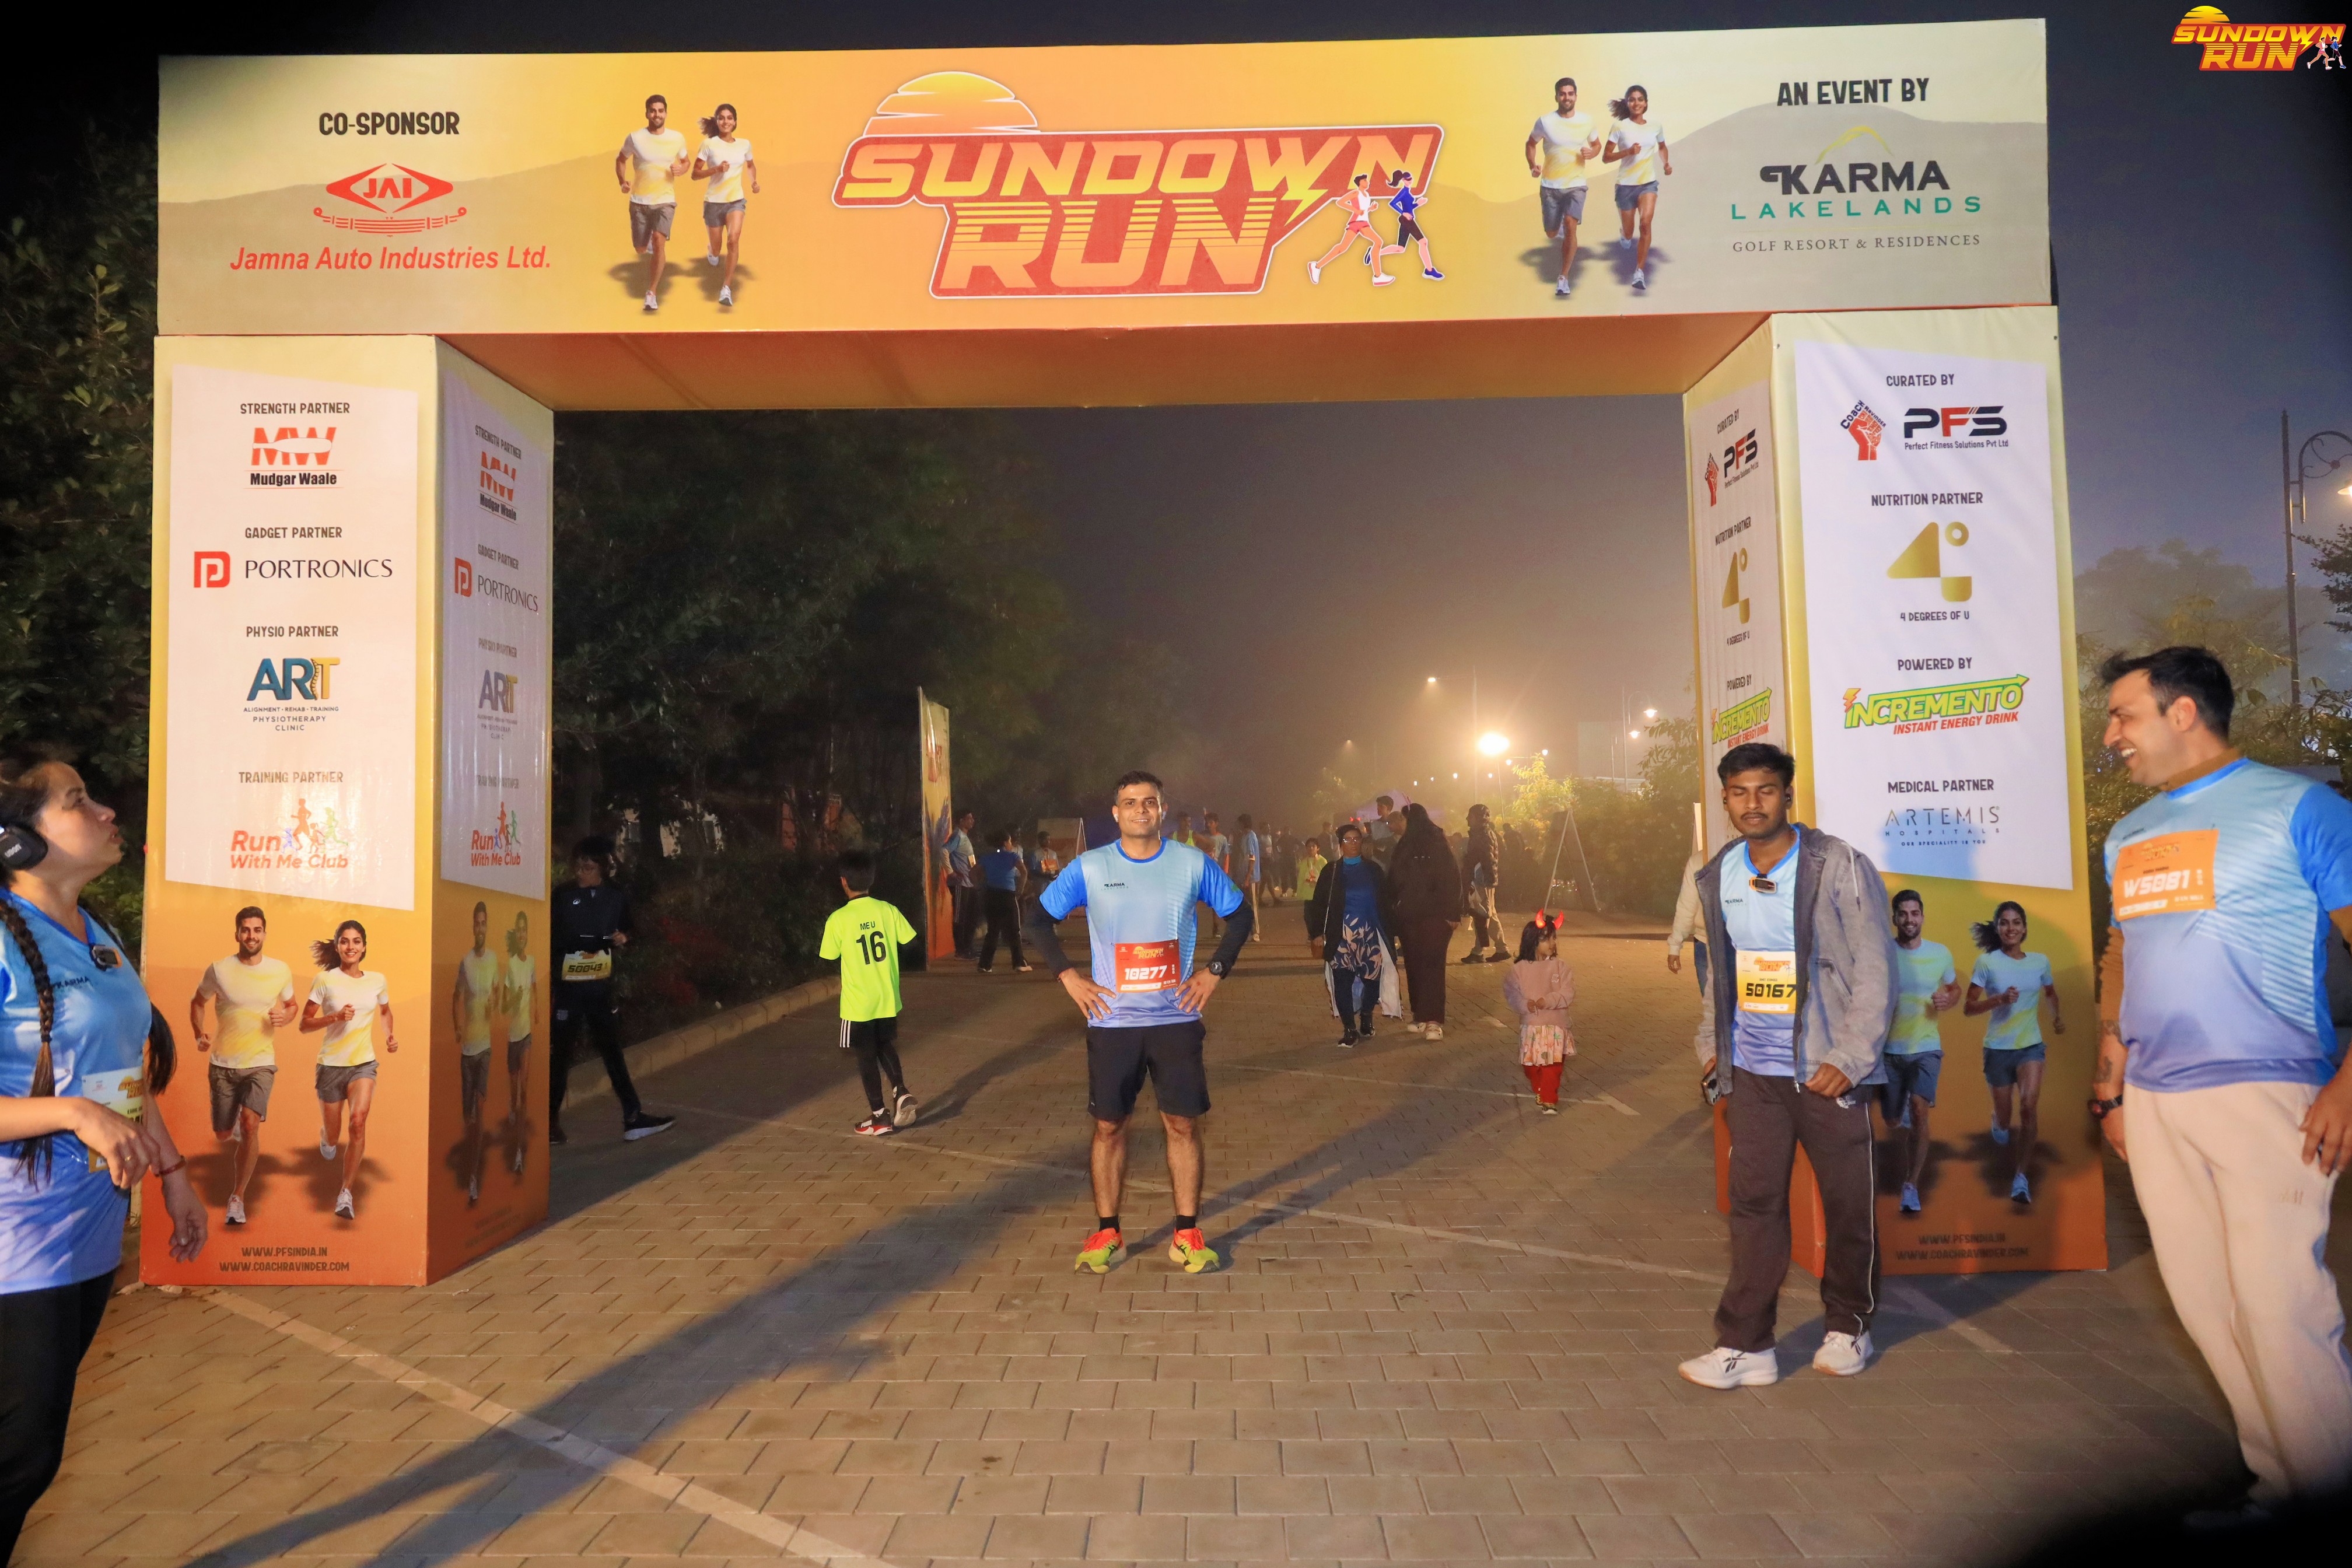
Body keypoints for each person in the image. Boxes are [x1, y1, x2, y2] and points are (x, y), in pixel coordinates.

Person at [2091, 647, 2352, 1513]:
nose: (2111, 736)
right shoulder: (2128, 835)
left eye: (2124, 715)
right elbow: (2124, 955)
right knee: (2209, 1307)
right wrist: (2112, 1088)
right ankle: (2279, 1485)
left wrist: (2348, 1086)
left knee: (2282, 1309)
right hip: (2157, 1100)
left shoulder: (2299, 808)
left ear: (2183, 712)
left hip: (2270, 1091)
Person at [0, 760, 202, 1559]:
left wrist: (173, 1173)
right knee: (22, 1452)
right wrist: (73, 1113)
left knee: (27, 1453)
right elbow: (82, 1100)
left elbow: (125, 1071)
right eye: (77, 801)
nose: (106, 811)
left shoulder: (96, 933)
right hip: (17, 1242)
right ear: (17, 842)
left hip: (89, 1231)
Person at [1680, 741, 1896, 1390]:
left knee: (1847, 1205)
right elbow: (1723, 970)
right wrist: (1711, 1045)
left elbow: (1876, 967)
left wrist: (1850, 1058)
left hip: (1826, 1071)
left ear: (1788, 796)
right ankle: (1747, 1346)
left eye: (1766, 790)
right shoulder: (1721, 872)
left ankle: (1849, 1326)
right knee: (1753, 1206)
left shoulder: (1836, 864)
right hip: (1753, 1071)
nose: (1753, 803)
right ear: (1725, 800)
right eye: (1740, 792)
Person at [1025, 771, 1250, 1276]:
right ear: (1116, 813)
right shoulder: (1091, 867)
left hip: (1176, 1019)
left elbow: (1241, 916)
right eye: (1130, 803)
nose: (1140, 810)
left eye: (1149, 802)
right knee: (1109, 1127)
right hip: (1112, 1023)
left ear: (1162, 810)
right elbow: (1036, 921)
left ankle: (1186, 1234)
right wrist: (1069, 978)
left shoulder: (1191, 862)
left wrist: (1214, 971)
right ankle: (1108, 1232)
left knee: (1182, 1124)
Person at [549, 836, 674, 1147]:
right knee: (560, 1055)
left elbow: (630, 928)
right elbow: (552, 936)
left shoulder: (615, 896)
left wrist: (622, 938)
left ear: (603, 869)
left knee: (612, 1052)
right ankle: (549, 1124)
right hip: (569, 989)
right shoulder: (562, 895)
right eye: (578, 866)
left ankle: (633, 1117)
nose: (581, 873)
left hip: (599, 988)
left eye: (589, 868)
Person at [190, 905, 295, 1227]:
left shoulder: (280, 970)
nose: (252, 936)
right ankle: (231, 1125)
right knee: (223, 1134)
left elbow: (292, 1006)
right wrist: (199, 1032)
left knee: (251, 1125)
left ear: (265, 934)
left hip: (261, 1062)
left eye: (257, 930)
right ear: (237, 934)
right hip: (223, 1063)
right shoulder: (219, 970)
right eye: (246, 930)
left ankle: (237, 1197)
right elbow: (198, 1002)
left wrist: (285, 1016)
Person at [1965, 900, 2063, 1204]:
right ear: (1998, 929)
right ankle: (1999, 1121)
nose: (2011, 928)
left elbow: (2050, 992)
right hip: (1998, 1049)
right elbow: (1969, 1007)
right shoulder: (1987, 963)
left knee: (2029, 1106)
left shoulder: (2040, 962)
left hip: (2030, 1046)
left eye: (2016, 922)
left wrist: (2057, 1017)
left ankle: (2021, 1178)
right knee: (2006, 1119)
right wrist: (1999, 1000)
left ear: (2024, 929)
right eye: (2005, 923)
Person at [821, 849, 921, 1137]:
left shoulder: (838, 919)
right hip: (887, 996)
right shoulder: (887, 910)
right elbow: (911, 942)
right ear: (872, 879)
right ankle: (900, 1090)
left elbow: (828, 956)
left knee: (865, 1056)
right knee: (884, 1045)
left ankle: (879, 1116)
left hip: (858, 1003)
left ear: (844, 882)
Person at [300, 919, 395, 1220]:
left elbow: (385, 1011)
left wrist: (389, 1036)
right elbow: (304, 1024)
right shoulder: (325, 980)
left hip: (363, 1064)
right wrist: (335, 1017)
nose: (351, 946)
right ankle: (326, 1138)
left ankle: (346, 1193)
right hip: (330, 1066)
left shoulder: (377, 980)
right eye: (345, 941)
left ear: (364, 947)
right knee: (334, 1136)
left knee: (357, 1123)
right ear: (338, 946)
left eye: (356, 941)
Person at [1883, 890, 1961, 1216]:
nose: (1909, 920)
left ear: (1923, 917)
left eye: (1915, 913)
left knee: (1919, 1111)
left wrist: (1949, 999)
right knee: (1891, 1120)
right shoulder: (1883, 951)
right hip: (1889, 1050)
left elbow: (1955, 988)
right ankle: (1896, 1109)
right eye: (1903, 914)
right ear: (1894, 918)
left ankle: (1911, 1185)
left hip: (1926, 1047)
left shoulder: (1940, 953)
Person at [1307, 821, 1394, 1048]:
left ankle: (1366, 1015)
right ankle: (1349, 1029)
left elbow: (1386, 902)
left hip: (1370, 935)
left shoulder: (1373, 870)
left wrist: (1392, 931)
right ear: (1340, 844)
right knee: (1342, 982)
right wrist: (1317, 933)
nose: (1353, 844)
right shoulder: (1332, 871)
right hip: (1342, 936)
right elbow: (1318, 904)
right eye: (1348, 840)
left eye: (1357, 839)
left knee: (1372, 980)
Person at [1387, 803, 1464, 1039]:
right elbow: (1393, 880)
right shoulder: (1404, 846)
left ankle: (1433, 1021)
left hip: (1435, 918)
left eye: (1404, 820)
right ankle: (1420, 1015)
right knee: (1414, 966)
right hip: (1410, 917)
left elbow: (1452, 879)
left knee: (1432, 966)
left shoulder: (1438, 844)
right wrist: (1393, 909)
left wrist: (1453, 914)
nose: (1401, 825)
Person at [1526, 76, 1602, 298]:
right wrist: (1532, 165)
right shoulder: (1545, 122)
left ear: (1576, 96)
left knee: (1571, 225)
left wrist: (1592, 152)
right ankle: (1556, 225)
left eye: (1570, 94)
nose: (1566, 98)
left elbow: (1597, 145)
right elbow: (1531, 143)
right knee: (1551, 233)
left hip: (1576, 184)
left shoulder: (1587, 121)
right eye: (1562, 94)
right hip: (1550, 186)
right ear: (1557, 97)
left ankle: (1563, 277)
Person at [615, 93, 689, 313]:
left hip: (665, 200)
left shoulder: (677, 138)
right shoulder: (635, 138)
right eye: (653, 111)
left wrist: (681, 169)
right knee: (640, 249)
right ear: (647, 113)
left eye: (661, 111)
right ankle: (645, 242)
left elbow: (686, 162)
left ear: (666, 113)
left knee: (659, 242)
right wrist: (622, 182)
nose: (657, 114)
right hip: (639, 201)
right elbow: (621, 159)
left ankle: (652, 293)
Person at [1503, 914, 1576, 1114]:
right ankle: (1540, 1088)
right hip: (1532, 1026)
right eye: (1546, 939)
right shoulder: (1518, 970)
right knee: (1531, 1065)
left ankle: (1549, 1100)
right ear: (1533, 941)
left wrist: (1549, 1001)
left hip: (1556, 1025)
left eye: (1554, 938)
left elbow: (1568, 992)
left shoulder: (1561, 967)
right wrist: (1525, 1004)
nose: (1552, 943)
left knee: (1553, 1065)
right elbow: (1512, 994)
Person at [452, 901, 499, 1206]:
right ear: (473, 927)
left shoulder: (493, 959)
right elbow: (455, 996)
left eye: (484, 923)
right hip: (467, 1050)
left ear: (487, 926)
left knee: (480, 1111)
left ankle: (474, 1178)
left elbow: (496, 994)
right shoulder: (466, 962)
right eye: (477, 923)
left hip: (485, 1049)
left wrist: (495, 1005)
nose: (480, 928)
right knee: (468, 1117)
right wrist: (457, 1027)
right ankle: (470, 1164)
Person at [1602, 85, 1671, 292]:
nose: (1637, 103)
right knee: (1630, 231)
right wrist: (1628, 152)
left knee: (1646, 224)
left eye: (1640, 99)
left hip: (1648, 183)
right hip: (1625, 186)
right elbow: (1606, 157)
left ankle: (1639, 272)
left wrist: (1666, 164)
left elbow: (1662, 147)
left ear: (1646, 103)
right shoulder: (1619, 127)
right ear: (1627, 103)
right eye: (1632, 99)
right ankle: (1624, 234)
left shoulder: (1655, 126)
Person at [690, 103, 757, 307]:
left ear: (735, 122)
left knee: (733, 240)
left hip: (736, 201)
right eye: (721, 118)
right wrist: (716, 170)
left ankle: (726, 288)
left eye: (729, 118)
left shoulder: (744, 144)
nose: (725, 121)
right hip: (713, 203)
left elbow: (751, 165)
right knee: (718, 249)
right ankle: (712, 251)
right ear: (717, 121)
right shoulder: (709, 145)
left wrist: (754, 182)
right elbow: (695, 174)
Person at [1308, 173, 1395, 286]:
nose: (1368, 182)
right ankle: (1316, 266)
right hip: (1357, 222)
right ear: (1360, 183)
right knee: (1346, 247)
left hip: (1363, 222)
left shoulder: (1367, 195)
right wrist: (1356, 211)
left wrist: (1370, 209)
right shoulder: (1356, 193)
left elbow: (1363, 210)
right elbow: (1340, 202)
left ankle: (1316, 266)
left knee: (1348, 247)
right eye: (1365, 180)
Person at [500, 911, 534, 1175]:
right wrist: (516, 998)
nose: (522, 934)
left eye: (525, 930)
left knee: (524, 1093)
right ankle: (513, 1126)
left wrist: (538, 1010)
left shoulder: (531, 962)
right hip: (512, 1038)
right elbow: (504, 1006)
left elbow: (535, 987)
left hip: (526, 1036)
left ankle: (520, 1154)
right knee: (514, 1098)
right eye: (518, 930)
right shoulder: (511, 965)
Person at [977, 829, 1030, 974]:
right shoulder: (1012, 856)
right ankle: (1019, 962)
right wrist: (1020, 890)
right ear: (1006, 843)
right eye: (1010, 841)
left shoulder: (987, 857)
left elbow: (973, 872)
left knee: (993, 931)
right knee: (1014, 931)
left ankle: (985, 964)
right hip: (1008, 896)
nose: (1011, 844)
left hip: (991, 896)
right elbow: (1024, 872)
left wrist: (979, 887)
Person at [1461, 804, 1508, 964]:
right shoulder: (1483, 834)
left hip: (1482, 881)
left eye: (1470, 816)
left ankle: (1478, 952)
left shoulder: (1483, 836)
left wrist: (1485, 881)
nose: (1467, 819)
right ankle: (1501, 949)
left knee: (1482, 915)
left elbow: (1487, 860)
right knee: (1490, 914)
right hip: (1483, 880)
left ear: (1478, 818)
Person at [1665, 842, 1707, 993]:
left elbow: (1687, 906)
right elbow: (1687, 905)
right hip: (1710, 943)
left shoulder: (1699, 860)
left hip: (1706, 942)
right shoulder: (1750, 856)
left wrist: (1675, 947)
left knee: (1714, 1003)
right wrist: (1675, 945)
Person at [1385, 169, 1442, 281]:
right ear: (1403, 180)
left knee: (1400, 248)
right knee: (1423, 242)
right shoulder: (1404, 192)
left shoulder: (1408, 192)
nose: (1410, 181)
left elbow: (1410, 207)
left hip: (1407, 220)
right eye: (1408, 179)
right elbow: (1392, 203)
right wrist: (1403, 213)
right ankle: (1429, 270)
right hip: (1407, 220)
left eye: (1411, 178)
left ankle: (1374, 254)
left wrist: (1418, 204)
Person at [943, 809, 979, 959]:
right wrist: (951, 872)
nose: (972, 821)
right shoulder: (958, 835)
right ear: (961, 820)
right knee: (960, 917)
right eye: (969, 818)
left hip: (969, 883)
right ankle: (960, 950)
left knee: (972, 916)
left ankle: (968, 947)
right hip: (960, 884)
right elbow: (944, 851)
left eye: (972, 818)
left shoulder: (965, 837)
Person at [1202, 813, 1233, 938]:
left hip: (1215, 873)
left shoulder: (1222, 839)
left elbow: (1226, 856)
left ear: (1216, 824)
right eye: (1207, 822)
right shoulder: (1202, 837)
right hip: (1202, 872)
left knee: (1216, 901)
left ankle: (1216, 928)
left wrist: (1225, 872)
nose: (1208, 825)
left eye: (1211, 822)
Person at [1236, 814, 1264, 941]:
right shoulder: (1244, 837)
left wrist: (1247, 878)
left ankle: (1256, 931)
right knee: (1245, 905)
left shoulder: (1251, 837)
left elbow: (1252, 859)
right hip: (1244, 877)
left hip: (1251, 878)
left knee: (1253, 905)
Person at [1296, 836, 1328, 910]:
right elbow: (1301, 878)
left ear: (1318, 848)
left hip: (1319, 894)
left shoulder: (1323, 861)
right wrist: (1299, 893)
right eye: (1309, 846)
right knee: (1308, 914)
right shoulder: (1304, 862)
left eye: (1313, 846)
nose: (1311, 848)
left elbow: (1327, 878)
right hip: (1307, 894)